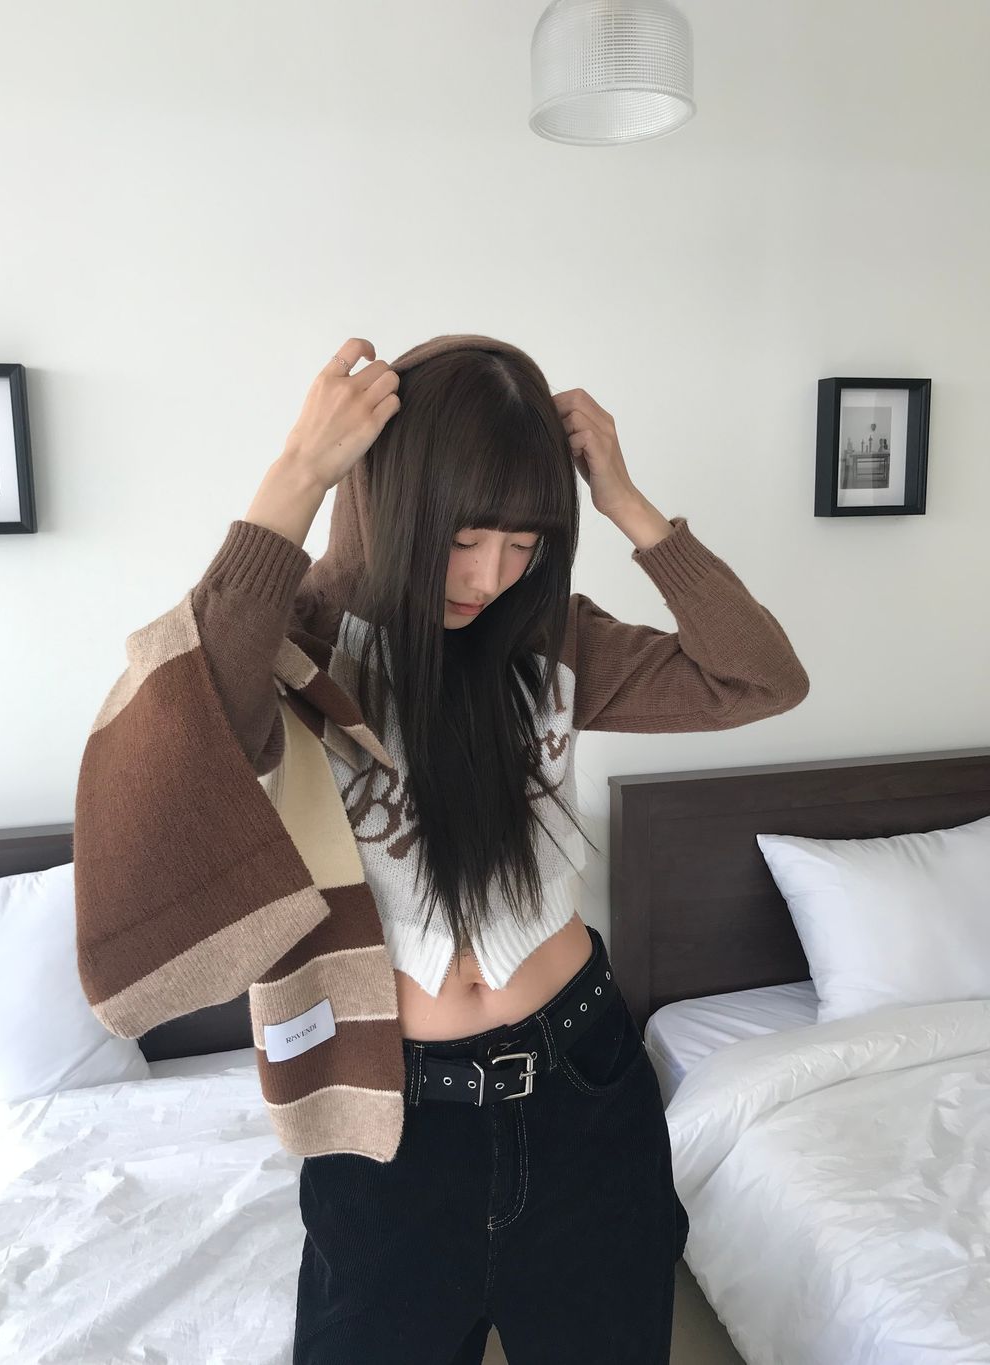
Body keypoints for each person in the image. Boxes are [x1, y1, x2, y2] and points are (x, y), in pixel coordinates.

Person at [188, 333, 810, 1364]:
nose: (490, 575)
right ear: (398, 504)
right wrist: (300, 472)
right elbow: (193, 726)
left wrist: (628, 503)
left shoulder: (548, 640)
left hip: (583, 1082)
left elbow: (760, 678)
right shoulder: (297, 645)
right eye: (466, 536)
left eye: (524, 543)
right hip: (388, 1114)